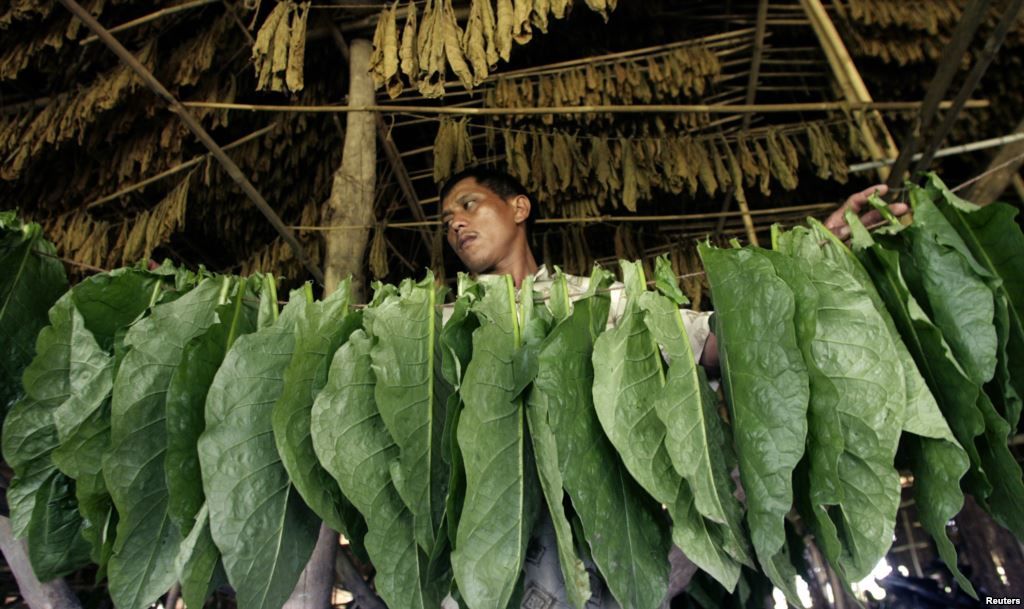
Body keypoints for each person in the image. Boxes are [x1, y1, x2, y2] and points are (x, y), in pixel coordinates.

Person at [437, 166, 906, 609]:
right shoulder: (443, 329)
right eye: (446, 219)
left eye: (468, 204)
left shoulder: (595, 303)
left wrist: (809, 256)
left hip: (603, 561)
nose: (455, 222)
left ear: (519, 208)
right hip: (484, 570)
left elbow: (710, 342)